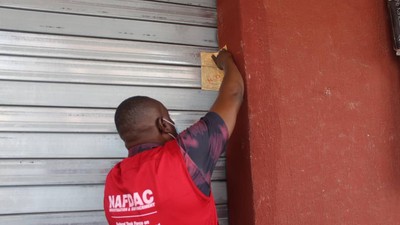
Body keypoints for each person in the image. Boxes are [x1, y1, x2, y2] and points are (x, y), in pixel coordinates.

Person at [104, 49, 244, 225]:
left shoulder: (113, 179)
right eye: (170, 119)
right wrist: (226, 60)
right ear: (163, 125)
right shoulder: (182, 156)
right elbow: (233, 94)